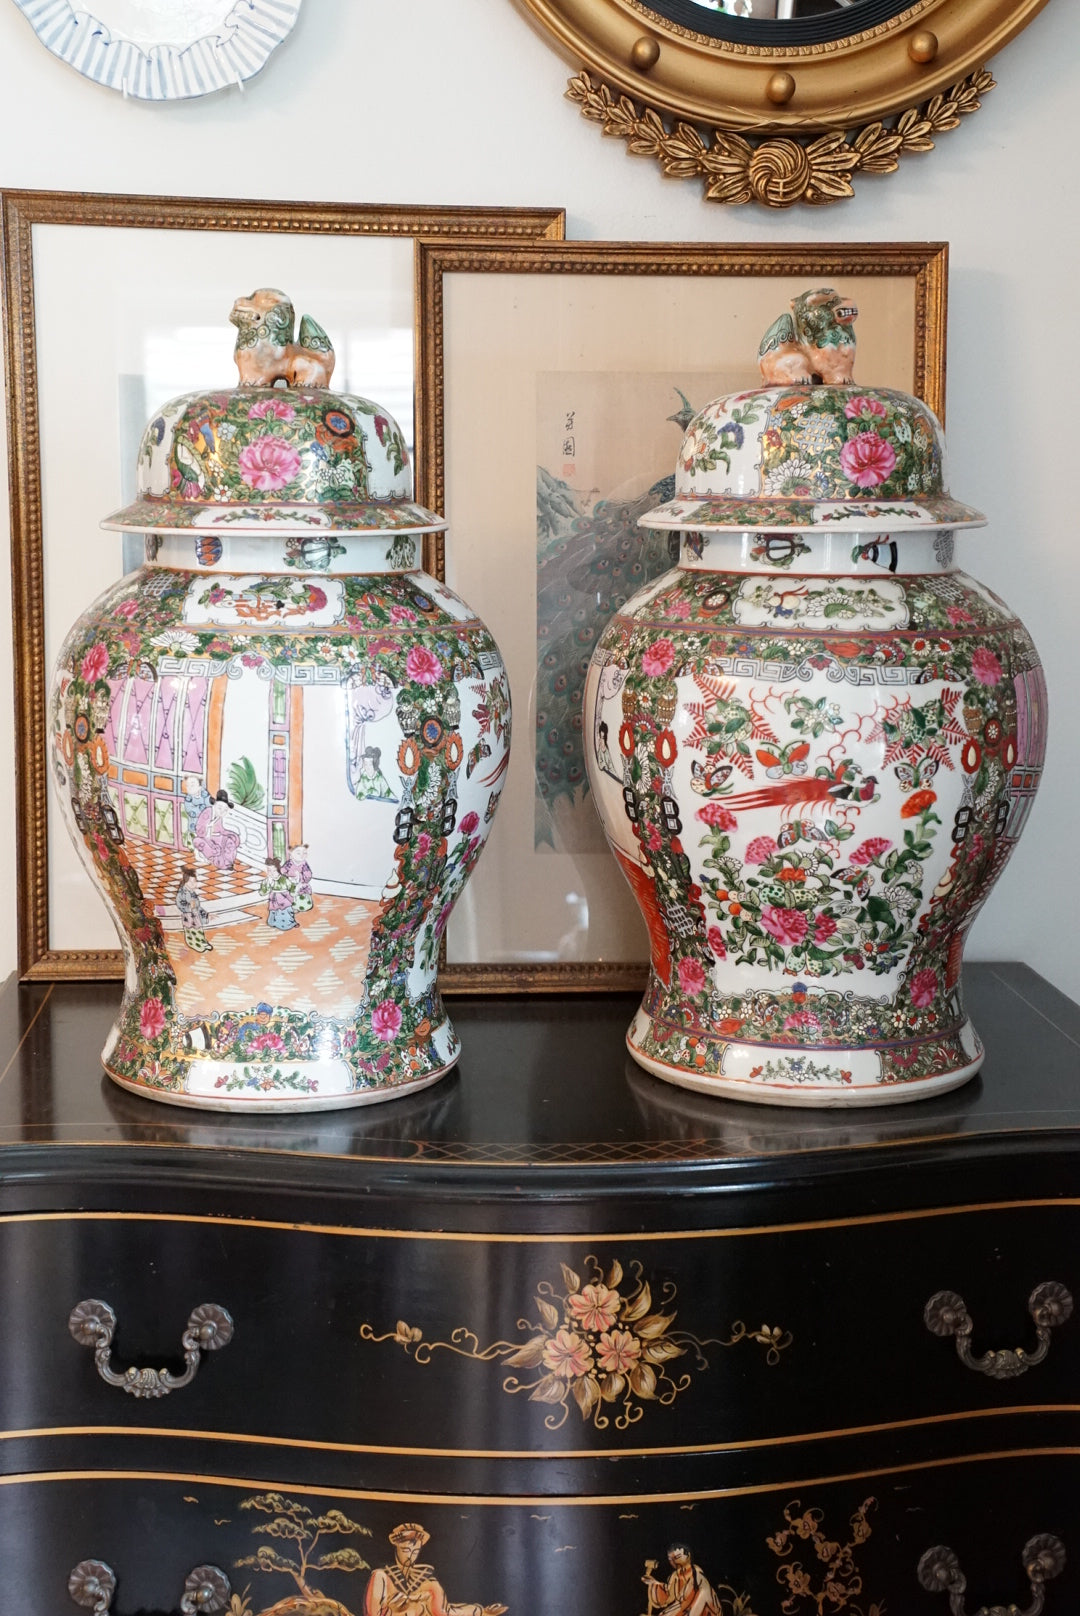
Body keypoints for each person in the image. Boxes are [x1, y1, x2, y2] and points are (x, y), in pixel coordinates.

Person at [364, 1522, 507, 1616]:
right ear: (397, 1548)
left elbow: (446, 1611)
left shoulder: (429, 1585)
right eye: (405, 1550)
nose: (410, 1557)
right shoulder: (381, 1577)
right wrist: (392, 1609)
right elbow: (372, 1612)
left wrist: (481, 1611)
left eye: (415, 1552)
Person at [642, 1544, 719, 1616]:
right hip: (681, 1607)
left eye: (677, 1557)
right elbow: (669, 1594)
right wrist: (654, 1583)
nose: (674, 1562)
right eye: (670, 1559)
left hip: (698, 1609)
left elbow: (704, 1594)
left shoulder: (696, 1573)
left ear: (688, 1555)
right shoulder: (675, 1575)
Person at [194, 789, 240, 870]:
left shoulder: (219, 817)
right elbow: (199, 831)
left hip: (217, 837)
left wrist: (230, 834)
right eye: (220, 808)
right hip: (205, 838)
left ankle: (228, 863)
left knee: (229, 842)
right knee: (211, 848)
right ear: (214, 805)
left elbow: (220, 830)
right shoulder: (207, 812)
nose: (222, 811)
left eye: (225, 810)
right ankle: (219, 863)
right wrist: (208, 826)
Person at [174, 866, 212, 953]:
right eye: (190, 882)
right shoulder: (182, 892)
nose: (193, 884)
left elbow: (198, 906)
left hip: (195, 914)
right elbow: (179, 904)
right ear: (185, 882)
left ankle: (203, 942)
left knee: (199, 929)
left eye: (194, 881)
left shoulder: (192, 892)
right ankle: (196, 945)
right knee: (191, 931)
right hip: (188, 916)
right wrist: (189, 907)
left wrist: (206, 915)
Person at [260, 856, 297, 931]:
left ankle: (287, 924)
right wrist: (268, 884)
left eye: (274, 870)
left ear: (278, 870)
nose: (271, 873)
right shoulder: (267, 880)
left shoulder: (283, 879)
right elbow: (263, 892)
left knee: (285, 911)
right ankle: (273, 922)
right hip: (273, 899)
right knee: (274, 910)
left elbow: (291, 886)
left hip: (284, 898)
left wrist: (293, 890)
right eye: (269, 870)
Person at [180, 776, 212, 847]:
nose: (189, 787)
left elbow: (209, 806)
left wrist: (207, 798)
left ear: (200, 787)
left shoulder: (205, 795)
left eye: (192, 785)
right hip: (194, 826)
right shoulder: (188, 798)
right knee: (194, 844)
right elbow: (190, 811)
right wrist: (200, 808)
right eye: (187, 785)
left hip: (205, 826)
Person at [283, 843, 313, 912]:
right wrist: (290, 874)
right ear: (291, 853)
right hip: (290, 882)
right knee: (288, 894)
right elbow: (283, 870)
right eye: (298, 853)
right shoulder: (289, 863)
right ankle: (290, 907)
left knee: (301, 895)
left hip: (300, 883)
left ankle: (300, 907)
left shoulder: (304, 864)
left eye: (304, 853)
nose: (302, 855)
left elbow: (308, 874)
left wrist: (300, 876)